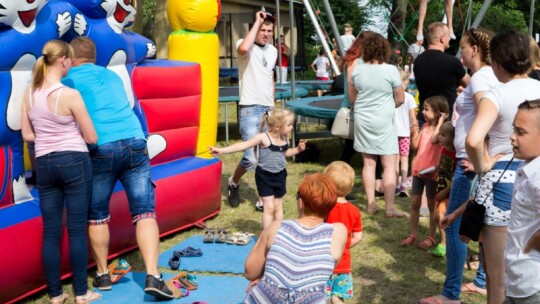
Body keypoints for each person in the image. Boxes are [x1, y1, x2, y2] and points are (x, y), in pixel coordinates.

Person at [62, 36, 174, 300]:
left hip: (101, 146)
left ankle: (102, 274)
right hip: (135, 140)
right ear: (94, 57)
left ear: (72, 58)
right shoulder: (111, 76)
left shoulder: (68, 79)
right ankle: (153, 274)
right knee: (145, 212)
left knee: (98, 213)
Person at [20, 40, 100, 304]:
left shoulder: (29, 92)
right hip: (74, 161)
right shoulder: (69, 95)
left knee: (51, 232)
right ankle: (81, 292)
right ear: (64, 60)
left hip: (44, 163)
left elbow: (27, 134)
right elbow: (91, 137)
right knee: (76, 229)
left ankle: (55, 294)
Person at [422, 28, 496, 303]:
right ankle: (481, 281)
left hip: (470, 163)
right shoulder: (482, 78)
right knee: (481, 223)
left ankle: (450, 294)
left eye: (463, 46)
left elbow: (491, 114)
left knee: (454, 226)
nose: (460, 51)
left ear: (474, 49)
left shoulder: (481, 79)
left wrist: (483, 154)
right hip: (471, 160)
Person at [243, 173, 347, 304]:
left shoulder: (277, 227)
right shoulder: (338, 232)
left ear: (300, 202)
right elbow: (326, 270)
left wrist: (266, 276)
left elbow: (250, 272)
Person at [210, 108, 306, 229]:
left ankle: (279, 234)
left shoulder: (284, 137)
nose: (292, 127)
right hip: (264, 177)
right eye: (289, 124)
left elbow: (284, 153)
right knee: (269, 208)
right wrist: (222, 150)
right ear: (277, 126)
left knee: (278, 206)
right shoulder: (263, 138)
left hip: (280, 175)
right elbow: (242, 145)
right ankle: (266, 235)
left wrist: (297, 150)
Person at [349, 31, 405, 218]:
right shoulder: (390, 70)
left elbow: (352, 98)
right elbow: (401, 97)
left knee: (368, 163)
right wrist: (390, 105)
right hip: (384, 120)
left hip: (363, 119)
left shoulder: (356, 69)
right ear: (384, 49)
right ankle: (390, 208)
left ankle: (371, 203)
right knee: (389, 165)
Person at [227, 11, 277, 207]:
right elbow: (244, 48)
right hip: (249, 108)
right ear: (255, 30)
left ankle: (261, 199)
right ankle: (233, 181)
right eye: (263, 29)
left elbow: (269, 77)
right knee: (250, 159)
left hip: (267, 109)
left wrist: (272, 105)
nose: (266, 33)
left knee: (265, 157)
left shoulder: (272, 51)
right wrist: (257, 21)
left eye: (270, 30)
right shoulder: (243, 43)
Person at [504, 99, 540, 304]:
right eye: (513, 129)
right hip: (518, 280)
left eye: (521, 132)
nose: (512, 137)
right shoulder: (527, 168)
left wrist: (533, 243)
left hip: (533, 284)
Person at [401, 96, 448, 248]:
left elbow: (434, 140)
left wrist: (440, 122)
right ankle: (413, 233)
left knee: (431, 205)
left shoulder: (442, 131)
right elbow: (415, 145)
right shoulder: (425, 127)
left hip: (432, 172)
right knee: (415, 202)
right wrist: (414, 131)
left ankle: (431, 236)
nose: (423, 112)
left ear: (438, 112)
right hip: (419, 171)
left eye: (427, 109)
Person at [414, 22, 469, 124]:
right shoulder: (452, 61)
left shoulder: (417, 61)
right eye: (448, 35)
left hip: (425, 118)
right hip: (445, 121)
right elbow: (468, 82)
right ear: (442, 38)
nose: (450, 38)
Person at [324, 161, 363, 304]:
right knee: (337, 297)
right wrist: (344, 245)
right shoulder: (354, 211)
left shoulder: (324, 208)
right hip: (344, 263)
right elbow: (358, 236)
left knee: (322, 298)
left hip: (324, 262)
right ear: (351, 186)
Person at [431, 121, 456, 257]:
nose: (439, 137)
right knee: (438, 216)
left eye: (443, 135)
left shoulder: (457, 155)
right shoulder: (444, 150)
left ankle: (444, 244)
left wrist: (446, 191)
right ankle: (445, 242)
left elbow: (457, 177)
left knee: (439, 215)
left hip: (447, 191)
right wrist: (437, 167)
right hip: (440, 186)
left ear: (452, 138)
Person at [395, 70, 419, 197]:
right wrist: (415, 130)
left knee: (395, 160)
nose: (408, 83)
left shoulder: (391, 97)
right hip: (405, 133)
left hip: (392, 133)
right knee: (404, 159)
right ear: (404, 82)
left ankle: (395, 184)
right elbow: (413, 117)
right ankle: (403, 184)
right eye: (406, 81)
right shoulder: (409, 98)